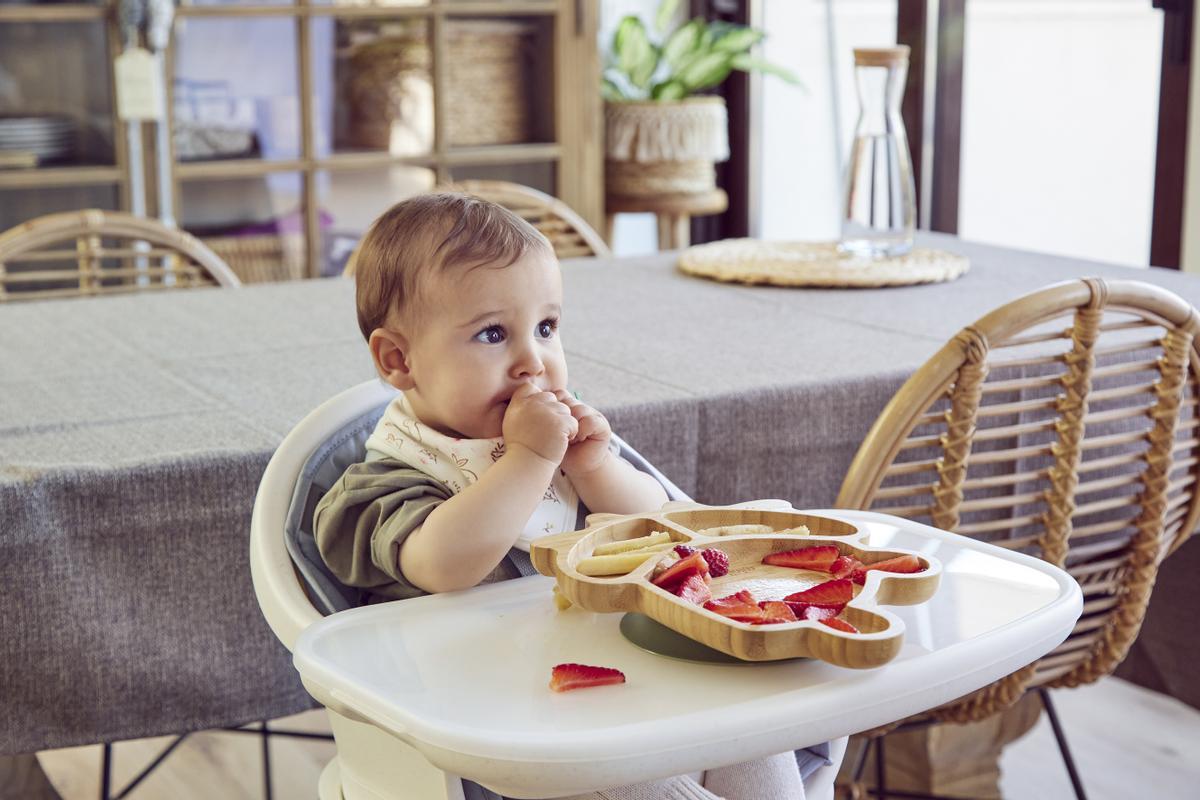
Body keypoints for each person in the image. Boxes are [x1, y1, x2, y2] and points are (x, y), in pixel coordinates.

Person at [314, 192, 808, 799]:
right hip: (500, 732)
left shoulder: (559, 443)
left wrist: (595, 465)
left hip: (630, 675)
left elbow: (661, 526)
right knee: (630, 774)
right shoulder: (384, 483)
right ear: (399, 359)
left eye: (546, 328)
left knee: (756, 725)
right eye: (493, 333)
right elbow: (443, 564)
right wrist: (528, 460)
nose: (532, 361)